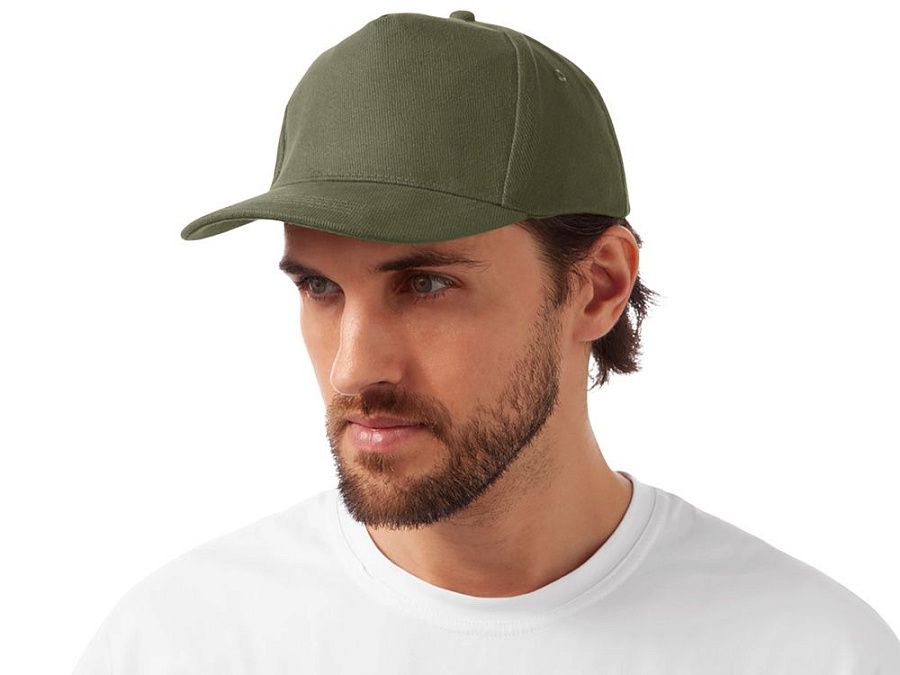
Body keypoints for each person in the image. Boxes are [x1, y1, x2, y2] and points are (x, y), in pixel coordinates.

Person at [73, 9, 900, 674]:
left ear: (598, 285)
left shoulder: (809, 651)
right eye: (320, 287)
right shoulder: (180, 643)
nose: (354, 367)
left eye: (426, 284)